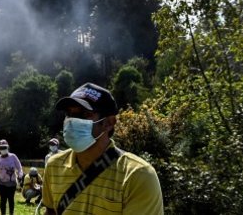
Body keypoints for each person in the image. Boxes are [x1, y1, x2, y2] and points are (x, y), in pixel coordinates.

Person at [41, 83, 164, 215]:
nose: (72, 121)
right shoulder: (54, 166)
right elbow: (51, 211)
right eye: (69, 113)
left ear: (109, 123)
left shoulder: (137, 176)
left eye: (86, 114)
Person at [0, 139, 23, 215]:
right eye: (1, 148)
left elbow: (19, 167)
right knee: (3, 200)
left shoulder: (13, 156)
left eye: (4, 147)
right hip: (1, 183)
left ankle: (11, 213)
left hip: (11, 183)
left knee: (11, 199)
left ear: (8, 147)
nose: (3, 149)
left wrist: (20, 175)